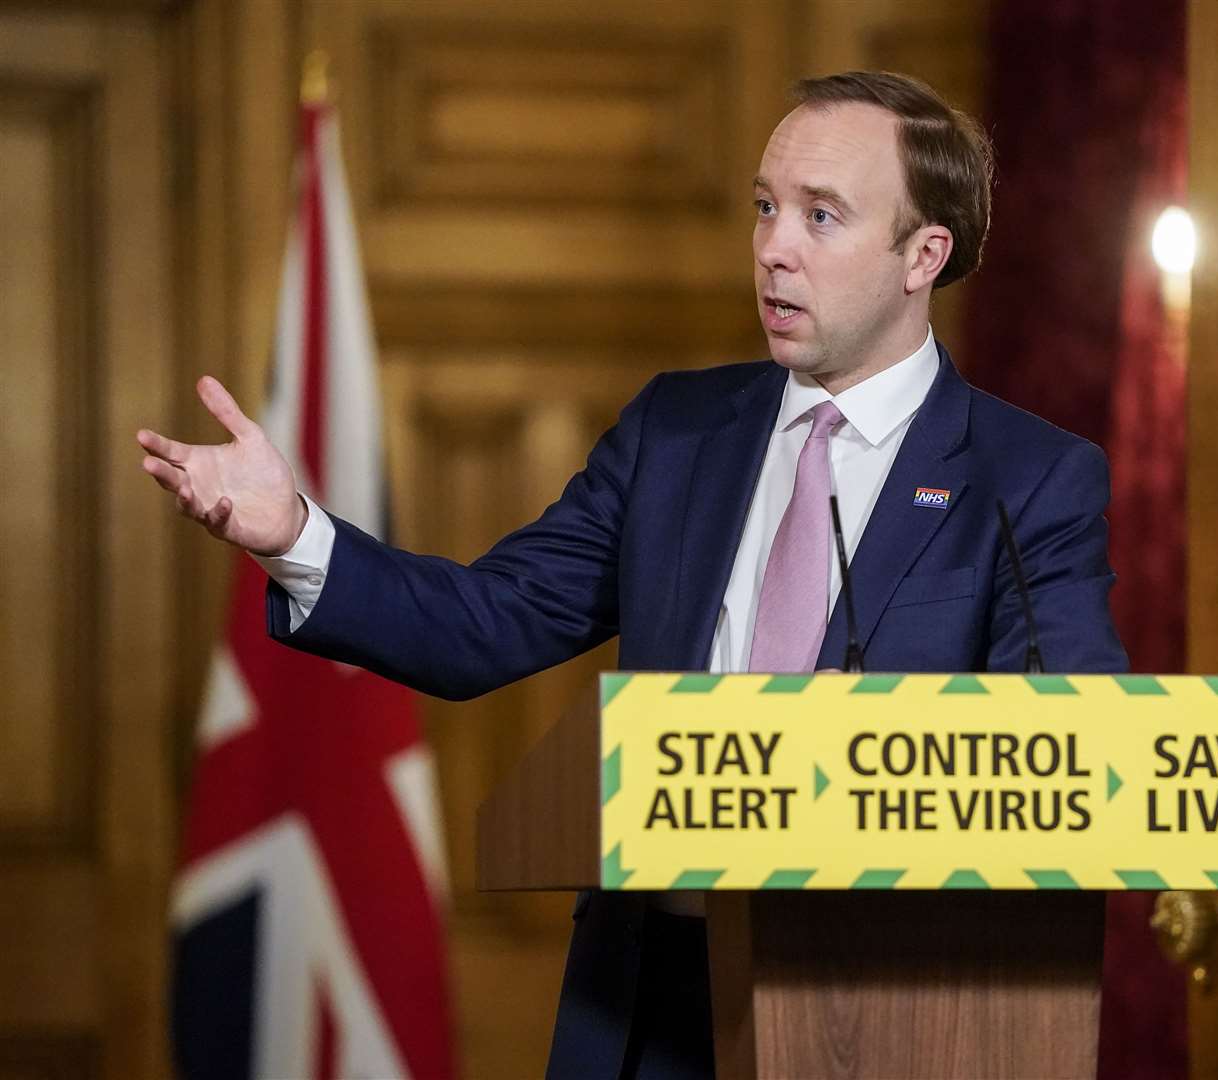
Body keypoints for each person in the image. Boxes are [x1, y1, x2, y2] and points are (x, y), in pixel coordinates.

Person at [140, 71, 1127, 1080]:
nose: (772, 247)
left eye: (819, 216)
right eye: (763, 207)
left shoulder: (1024, 478)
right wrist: (295, 532)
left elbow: (1073, 741)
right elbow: (490, 618)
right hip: (648, 1001)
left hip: (890, 1009)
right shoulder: (678, 432)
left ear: (923, 254)